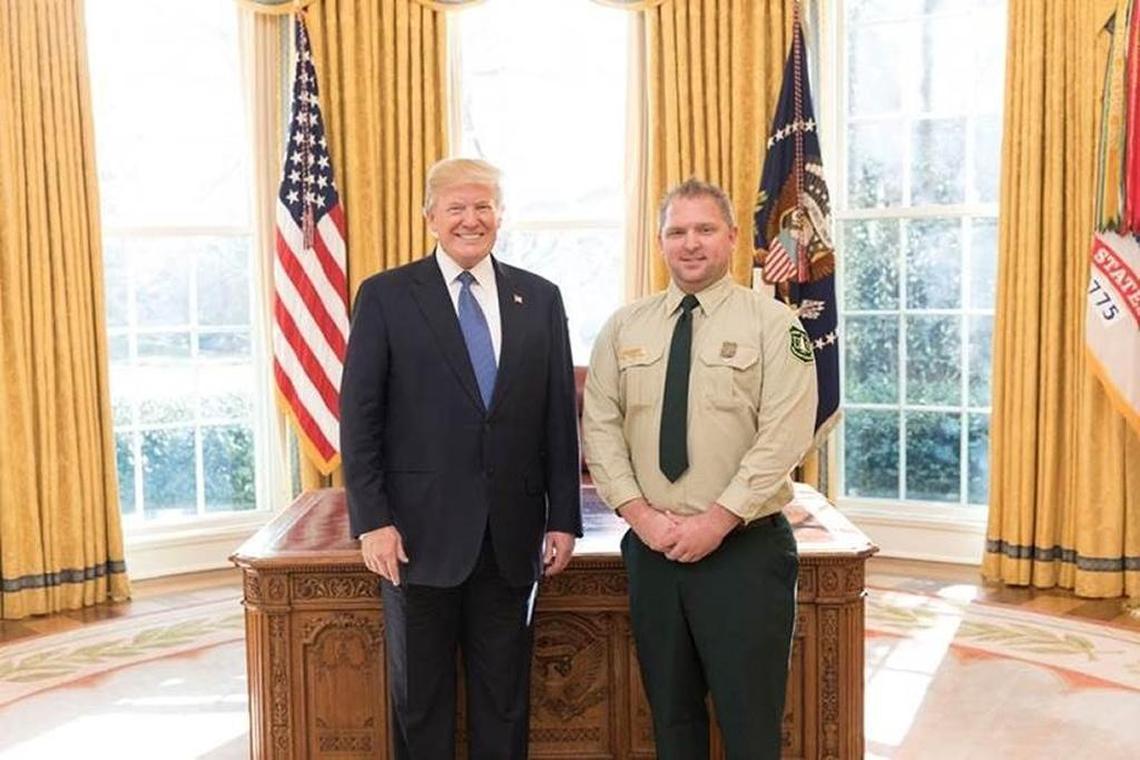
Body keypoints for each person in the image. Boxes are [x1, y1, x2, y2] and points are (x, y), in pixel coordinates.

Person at [340, 157, 582, 760]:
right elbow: (360, 420)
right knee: (419, 703)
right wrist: (372, 520)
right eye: (456, 207)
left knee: (504, 701)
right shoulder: (386, 296)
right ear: (430, 217)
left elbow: (558, 417)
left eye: (483, 206)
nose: (470, 219)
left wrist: (562, 518)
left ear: (500, 215)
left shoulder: (541, 299)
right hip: (414, 541)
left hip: (511, 539)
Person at [582, 178, 817, 759]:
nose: (691, 243)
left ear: (732, 238)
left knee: (750, 725)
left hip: (744, 552)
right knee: (671, 719)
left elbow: (783, 434)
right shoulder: (623, 328)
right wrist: (640, 517)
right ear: (660, 242)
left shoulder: (775, 325)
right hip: (653, 552)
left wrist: (716, 520)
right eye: (677, 231)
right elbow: (601, 428)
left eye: (705, 229)